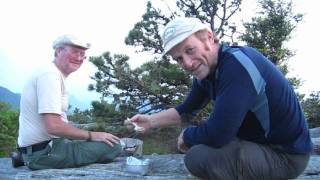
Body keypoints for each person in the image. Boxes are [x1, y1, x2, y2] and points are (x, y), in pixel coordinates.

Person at [125, 17, 313, 179]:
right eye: (179, 59)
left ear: (209, 37)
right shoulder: (207, 71)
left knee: (198, 158)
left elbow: (219, 132)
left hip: (285, 155)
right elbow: (187, 110)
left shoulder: (237, 66)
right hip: (259, 145)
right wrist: (150, 121)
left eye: (189, 50)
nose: (187, 63)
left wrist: (187, 136)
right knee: (204, 152)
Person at [15, 34, 122, 170]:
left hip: (42, 147)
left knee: (101, 138)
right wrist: (92, 135)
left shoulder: (51, 73)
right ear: (58, 51)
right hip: (46, 152)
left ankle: (25, 157)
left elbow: (56, 125)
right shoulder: (50, 75)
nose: (78, 58)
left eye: (82, 54)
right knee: (114, 145)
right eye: (74, 52)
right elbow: (54, 126)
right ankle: (32, 160)